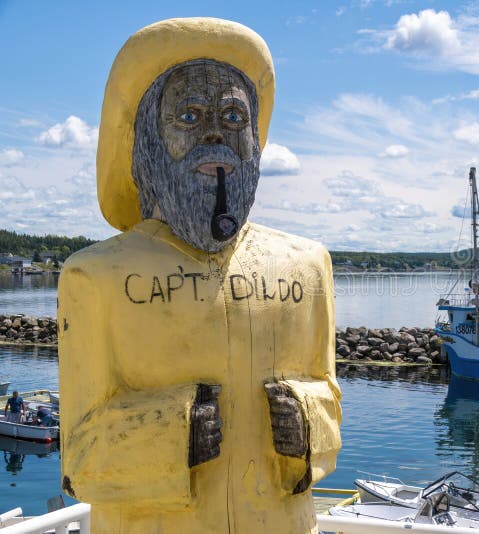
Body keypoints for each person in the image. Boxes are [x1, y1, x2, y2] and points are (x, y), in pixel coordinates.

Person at [58, 18, 341, 533]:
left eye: (234, 115)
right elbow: (79, 456)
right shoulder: (94, 278)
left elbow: (328, 397)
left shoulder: (307, 266)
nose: (216, 133)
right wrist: (175, 431)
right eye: (189, 115)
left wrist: (303, 422)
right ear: (147, 146)